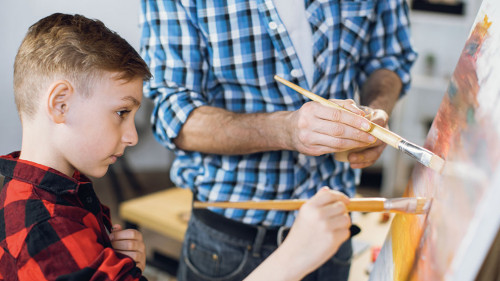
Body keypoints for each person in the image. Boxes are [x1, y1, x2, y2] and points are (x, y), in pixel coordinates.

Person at [0, 12, 352, 281]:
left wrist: (116, 265)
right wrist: (293, 259)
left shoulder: (29, 189)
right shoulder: (43, 228)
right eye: (121, 112)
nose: (132, 136)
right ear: (60, 103)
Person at [140, 0, 417, 280]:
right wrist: (286, 130)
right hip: (231, 242)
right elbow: (174, 117)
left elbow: (388, 60)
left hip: (334, 229)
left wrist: (377, 110)